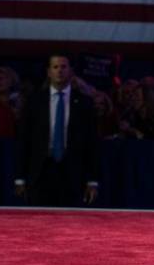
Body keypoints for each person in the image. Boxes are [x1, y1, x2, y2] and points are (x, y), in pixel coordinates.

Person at [15, 54, 100, 207]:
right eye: (55, 67)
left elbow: (91, 143)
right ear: (48, 72)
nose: (59, 70)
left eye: (63, 67)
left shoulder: (84, 103)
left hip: (73, 172)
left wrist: (92, 180)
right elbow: (24, 140)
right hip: (41, 172)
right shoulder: (34, 101)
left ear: (71, 71)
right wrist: (20, 178)